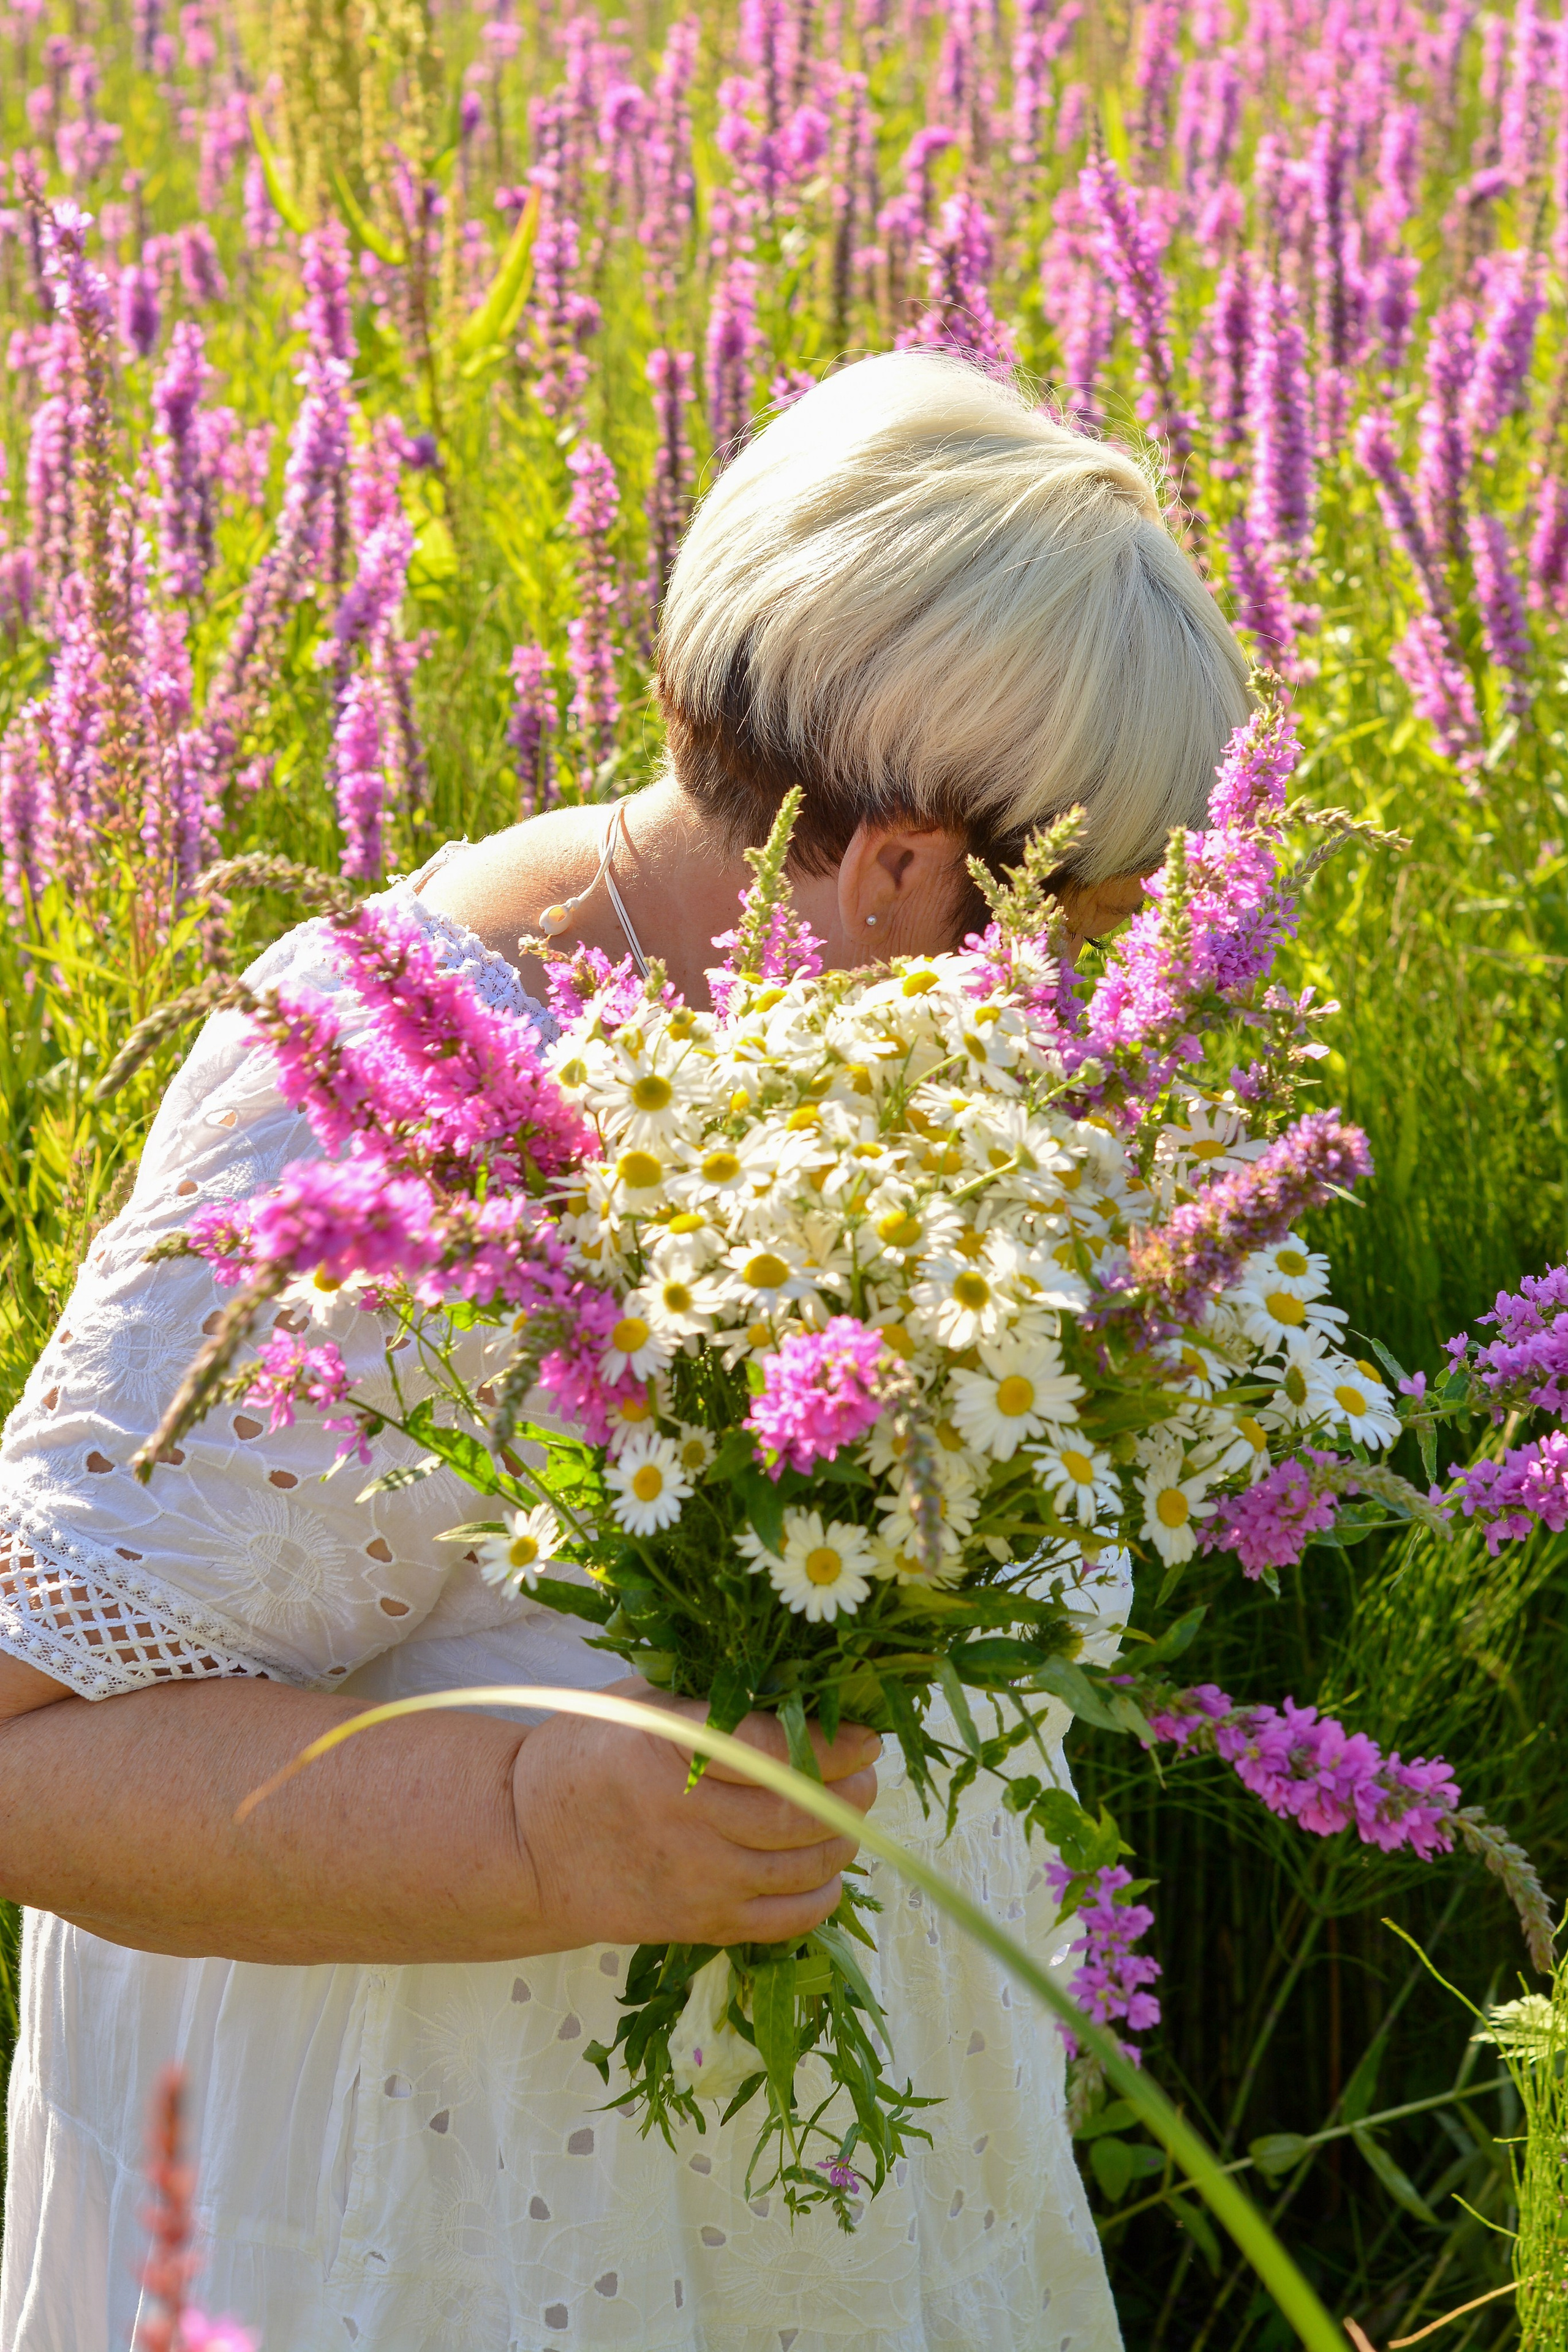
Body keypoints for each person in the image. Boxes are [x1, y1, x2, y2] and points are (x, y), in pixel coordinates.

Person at [0, 350, 1248, 2351]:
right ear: (910, 866)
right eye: (1092, 920)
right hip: (427, 2246)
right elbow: (23, 1757)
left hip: (821, 2210)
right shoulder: (387, 1113)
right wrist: (536, 1821)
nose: (1111, 1001)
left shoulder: (919, 1106)